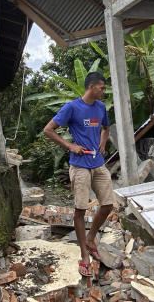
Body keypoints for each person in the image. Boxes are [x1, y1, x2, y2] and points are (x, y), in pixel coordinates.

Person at [42, 71, 114, 278]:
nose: (103, 91)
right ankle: (84, 254)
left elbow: (106, 128)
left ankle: (91, 239)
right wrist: (69, 145)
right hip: (80, 166)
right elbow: (48, 129)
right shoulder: (72, 107)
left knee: (108, 203)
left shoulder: (100, 107)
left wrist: (102, 143)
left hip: (97, 163)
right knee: (80, 210)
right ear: (91, 87)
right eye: (101, 87)